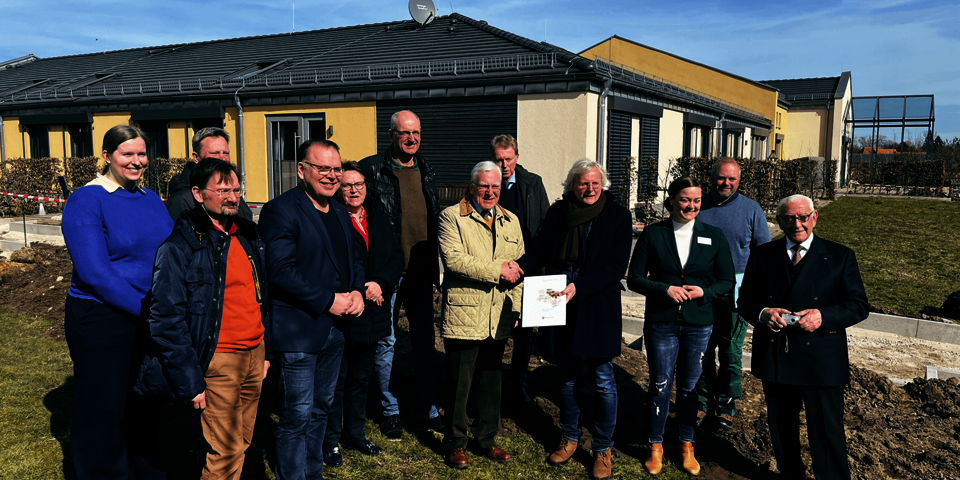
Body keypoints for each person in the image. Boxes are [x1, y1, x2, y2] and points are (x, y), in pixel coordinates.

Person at [134, 159, 270, 479]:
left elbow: (265, 298)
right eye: (222, 190)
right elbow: (166, 318)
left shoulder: (248, 234)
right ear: (198, 193)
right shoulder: (180, 246)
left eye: (236, 190)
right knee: (224, 453)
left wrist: (267, 351)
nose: (232, 197)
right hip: (217, 360)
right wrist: (190, 381)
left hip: (254, 355)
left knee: (243, 441)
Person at [61, 125, 171, 480]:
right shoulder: (86, 200)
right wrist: (149, 311)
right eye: (127, 154)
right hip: (103, 317)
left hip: (148, 314)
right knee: (102, 410)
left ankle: (144, 470)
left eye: (141, 154)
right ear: (107, 156)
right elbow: (96, 273)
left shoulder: (151, 198)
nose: (137, 161)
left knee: (143, 404)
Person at [739, 194, 868, 480]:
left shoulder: (839, 255)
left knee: (826, 431)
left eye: (803, 217)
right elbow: (745, 300)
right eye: (789, 218)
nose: (797, 224)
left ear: (814, 217)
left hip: (821, 359)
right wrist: (763, 314)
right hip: (778, 356)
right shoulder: (763, 255)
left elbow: (858, 305)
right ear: (779, 221)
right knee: (782, 429)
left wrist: (823, 316)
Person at [258, 139, 366, 480]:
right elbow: (279, 270)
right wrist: (329, 299)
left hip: (336, 328)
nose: (332, 176)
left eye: (336, 169)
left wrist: (358, 291)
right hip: (301, 330)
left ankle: (312, 472)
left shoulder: (336, 209)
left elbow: (355, 259)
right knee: (297, 414)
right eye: (323, 168)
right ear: (302, 170)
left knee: (321, 409)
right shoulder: (281, 210)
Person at [627, 176, 735, 476]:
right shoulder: (653, 233)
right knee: (660, 383)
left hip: (699, 322)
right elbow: (634, 278)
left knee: (690, 386)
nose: (691, 205)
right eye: (685, 199)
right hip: (662, 321)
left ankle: (686, 443)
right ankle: (656, 445)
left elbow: (727, 280)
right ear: (672, 199)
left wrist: (705, 292)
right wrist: (664, 289)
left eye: (697, 200)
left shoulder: (713, 235)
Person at [534, 159, 632, 480]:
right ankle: (571, 436)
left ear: (602, 184)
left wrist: (580, 286)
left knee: (603, 381)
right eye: (582, 183)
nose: (589, 188)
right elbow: (541, 252)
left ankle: (602, 447)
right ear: (572, 185)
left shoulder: (618, 216)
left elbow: (616, 267)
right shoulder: (558, 212)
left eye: (594, 183)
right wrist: (519, 269)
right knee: (567, 378)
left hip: (596, 306)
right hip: (559, 304)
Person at [359, 110, 442, 439]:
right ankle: (390, 410)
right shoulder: (372, 169)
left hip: (421, 273)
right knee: (387, 342)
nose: (412, 139)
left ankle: (428, 408)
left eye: (417, 133)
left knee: (424, 342)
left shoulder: (426, 169)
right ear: (391, 135)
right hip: (388, 274)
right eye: (405, 133)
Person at [436, 161, 524, 469]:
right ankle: (456, 442)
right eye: (484, 186)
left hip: (498, 314)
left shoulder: (510, 220)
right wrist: (497, 270)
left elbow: (517, 268)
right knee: (460, 383)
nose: (490, 192)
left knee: (491, 380)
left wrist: (517, 306)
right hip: (465, 313)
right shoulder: (451, 217)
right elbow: (454, 260)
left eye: (495, 187)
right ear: (472, 187)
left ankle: (486, 438)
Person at [322, 162, 403, 467]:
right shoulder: (332, 218)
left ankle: (354, 434)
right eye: (347, 185)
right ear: (338, 189)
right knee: (337, 381)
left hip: (374, 312)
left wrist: (380, 283)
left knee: (360, 380)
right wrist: (361, 286)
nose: (353, 190)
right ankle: (330, 441)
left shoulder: (378, 217)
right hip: (345, 314)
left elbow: (397, 256)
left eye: (358, 184)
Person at [694, 158, 770, 430]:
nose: (726, 183)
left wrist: (757, 291)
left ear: (739, 181)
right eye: (721, 178)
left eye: (732, 179)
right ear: (711, 177)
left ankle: (726, 405)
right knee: (700, 350)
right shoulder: (697, 205)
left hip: (736, 293)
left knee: (730, 350)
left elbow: (763, 255)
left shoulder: (751, 210)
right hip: (701, 291)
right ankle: (701, 403)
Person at [489, 134, 550, 404]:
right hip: (497, 270)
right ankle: (490, 385)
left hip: (529, 269)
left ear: (517, 156)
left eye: (508, 159)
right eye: (499, 159)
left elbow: (544, 228)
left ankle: (519, 385)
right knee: (495, 331)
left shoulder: (533, 183)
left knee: (525, 334)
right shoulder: (487, 185)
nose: (504, 165)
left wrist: (532, 264)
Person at [166, 126, 253, 221]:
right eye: (214, 153)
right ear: (196, 157)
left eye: (226, 153)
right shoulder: (181, 200)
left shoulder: (233, 190)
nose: (222, 159)